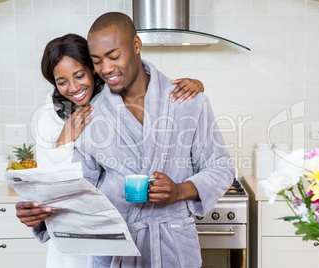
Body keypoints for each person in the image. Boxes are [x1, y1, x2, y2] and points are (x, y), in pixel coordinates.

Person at [17, 33, 205, 268]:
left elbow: (151, 87)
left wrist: (196, 86)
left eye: (79, 75)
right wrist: (63, 141)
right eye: (62, 81)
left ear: (93, 70)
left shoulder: (116, 98)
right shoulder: (49, 118)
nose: (74, 87)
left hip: (118, 235)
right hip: (73, 240)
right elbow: (49, 187)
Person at [72, 12, 233, 267]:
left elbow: (221, 168)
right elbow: (79, 189)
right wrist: (43, 213)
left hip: (174, 246)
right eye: (97, 61)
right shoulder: (92, 114)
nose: (106, 69)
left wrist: (181, 190)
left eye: (114, 56)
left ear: (136, 45)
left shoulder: (187, 101)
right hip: (116, 248)